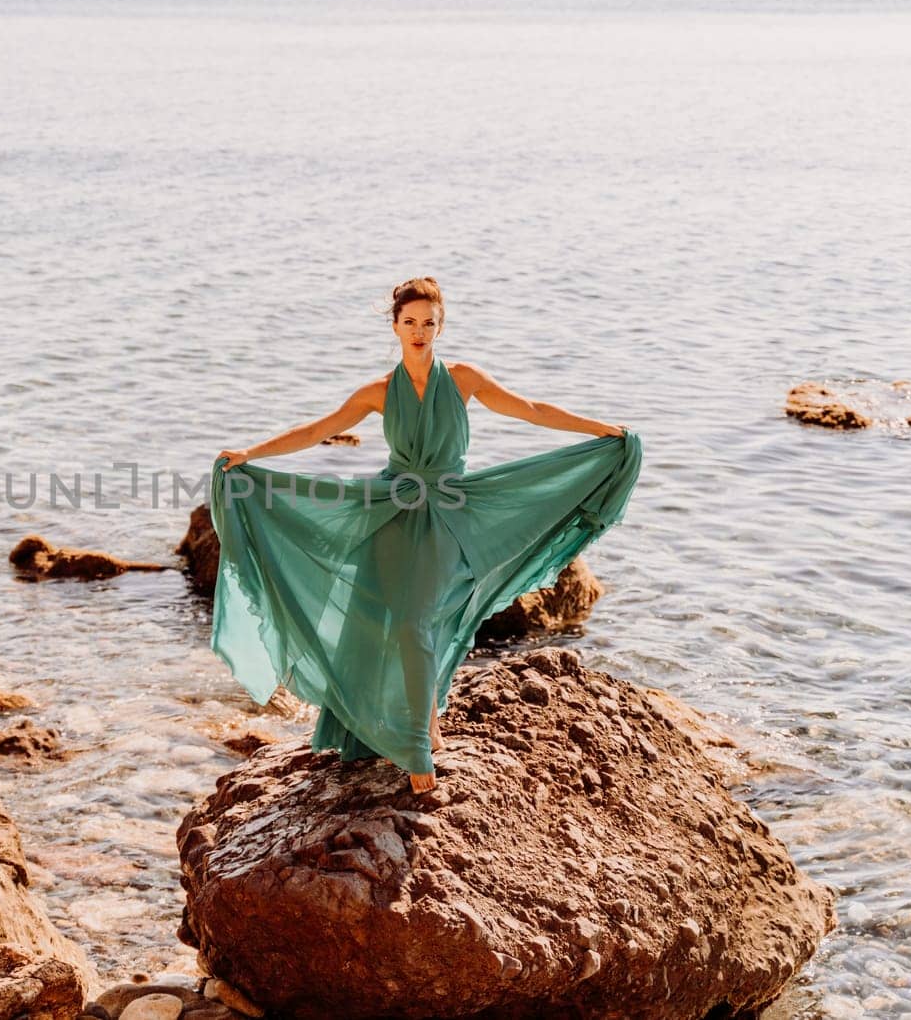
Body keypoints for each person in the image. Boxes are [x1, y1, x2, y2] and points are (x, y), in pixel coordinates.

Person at [211, 276, 642, 794]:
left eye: (428, 323)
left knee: (419, 622)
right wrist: (249, 455)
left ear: (442, 325)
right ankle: (423, 733)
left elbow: (530, 411)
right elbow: (313, 431)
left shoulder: (463, 380)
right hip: (389, 515)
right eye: (409, 322)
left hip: (447, 515)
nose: (419, 332)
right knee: (377, 624)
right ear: (394, 326)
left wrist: (602, 431)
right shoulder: (376, 392)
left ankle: (416, 742)